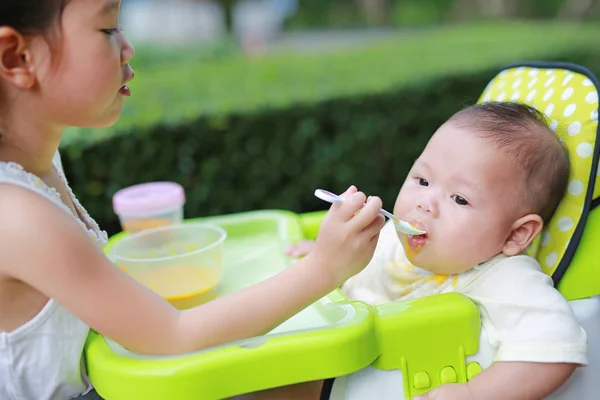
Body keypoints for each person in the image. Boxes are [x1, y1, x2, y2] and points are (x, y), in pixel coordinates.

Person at [0, 1, 385, 399]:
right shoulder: (17, 215)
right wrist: (324, 269)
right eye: (107, 28)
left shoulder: (37, 164)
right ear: (17, 57)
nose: (128, 47)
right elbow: (174, 334)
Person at [283, 102, 587, 400]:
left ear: (515, 234)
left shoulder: (505, 278)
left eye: (459, 199)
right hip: (331, 365)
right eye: (423, 180)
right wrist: (323, 257)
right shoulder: (390, 238)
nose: (424, 202)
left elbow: (556, 346)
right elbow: (349, 269)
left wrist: (473, 393)